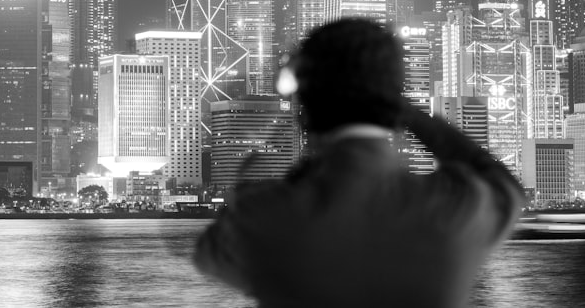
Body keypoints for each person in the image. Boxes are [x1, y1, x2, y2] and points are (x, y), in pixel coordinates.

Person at [194, 18, 524, 308]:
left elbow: (212, 254)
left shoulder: (264, 215)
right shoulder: (457, 209)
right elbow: (503, 184)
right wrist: (406, 111)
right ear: (394, 98)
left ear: (306, 104)